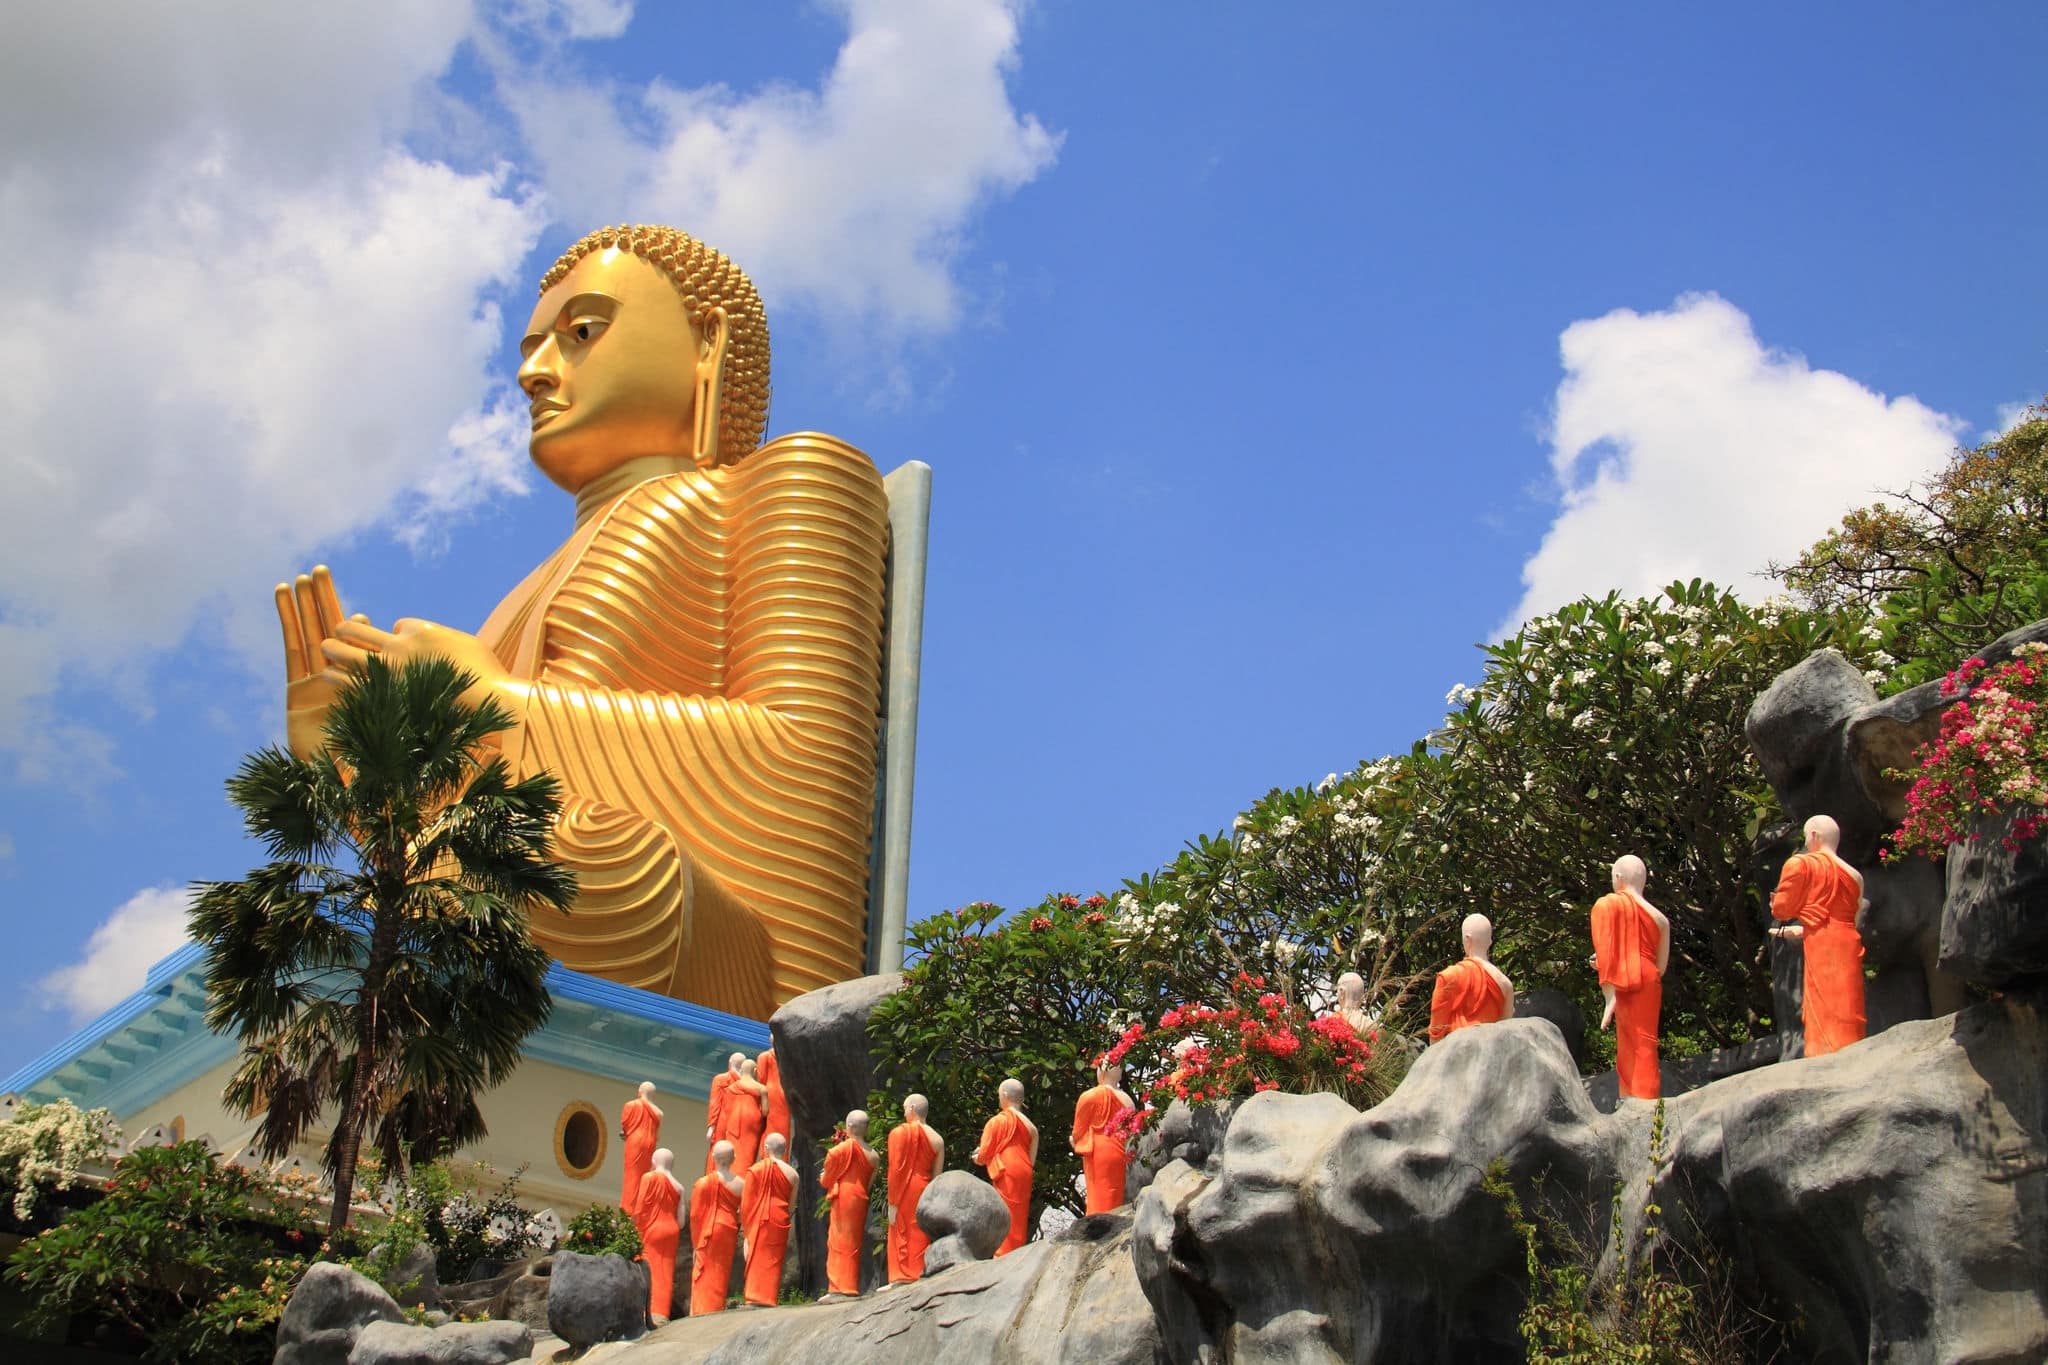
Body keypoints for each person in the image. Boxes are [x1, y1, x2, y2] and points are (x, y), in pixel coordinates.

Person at [273, 225, 892, 1021]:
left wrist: (490, 700)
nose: (536, 372)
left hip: (697, 940)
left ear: (708, 340)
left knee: (595, 857)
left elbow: (810, 770)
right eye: (532, 349)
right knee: (469, 859)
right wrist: (363, 772)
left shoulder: (790, 480)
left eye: (582, 334)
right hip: (515, 887)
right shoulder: (521, 591)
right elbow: (481, 802)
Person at [1769, 814, 1868, 1057]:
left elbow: (1782, 909)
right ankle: (1852, 1054)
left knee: (1822, 1005)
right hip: (1847, 944)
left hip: (1823, 945)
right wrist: (1804, 930)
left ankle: (1822, 1057)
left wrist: (1777, 905)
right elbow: (1847, 922)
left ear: (1813, 836)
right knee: (1847, 1003)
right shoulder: (1855, 876)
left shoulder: (1801, 864)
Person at [1590, 855, 1670, 1100]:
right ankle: (1644, 1098)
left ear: (1618, 878)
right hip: (1648, 979)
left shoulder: (1609, 904)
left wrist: (1610, 977)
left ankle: (1635, 1100)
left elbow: (1606, 947)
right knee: (1645, 1041)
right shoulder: (1660, 919)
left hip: (1624, 979)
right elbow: (1661, 966)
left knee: (1630, 1042)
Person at [974, 1078, 1038, 1256]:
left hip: (1006, 1169)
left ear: (1004, 1095)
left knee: (1005, 1212)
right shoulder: (1031, 1127)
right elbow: (1031, 1158)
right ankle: (1016, 1251)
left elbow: (984, 1154)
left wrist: (977, 1157)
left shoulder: (997, 1122)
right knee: (1019, 1214)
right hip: (1024, 1170)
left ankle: (1003, 1253)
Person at [1428, 914, 1515, 1043]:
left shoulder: (1449, 976)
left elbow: (1436, 1032)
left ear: (1467, 939)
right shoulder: (1505, 983)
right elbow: (1504, 1030)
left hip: (1456, 1052)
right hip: (1491, 1054)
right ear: (1490, 941)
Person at [886, 1094, 944, 1283]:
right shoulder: (937, 1139)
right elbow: (937, 1175)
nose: (904, 1112)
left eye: (904, 1108)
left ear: (912, 1108)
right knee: (919, 1229)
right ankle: (918, 1270)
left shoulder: (899, 1133)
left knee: (899, 1228)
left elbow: (895, 1170)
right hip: (924, 1186)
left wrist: (892, 1201)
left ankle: (902, 1274)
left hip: (904, 1187)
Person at [822, 1110, 878, 1297]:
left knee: (838, 1239)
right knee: (854, 1241)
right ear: (866, 1129)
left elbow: (826, 1179)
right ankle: (850, 1285)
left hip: (844, 1196)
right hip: (860, 1197)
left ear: (849, 1127)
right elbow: (870, 1182)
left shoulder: (838, 1150)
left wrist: (823, 1178)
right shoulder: (874, 1155)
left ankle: (839, 1286)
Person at [1070, 1062, 1136, 1214]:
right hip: (1121, 1149)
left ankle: (1099, 1231)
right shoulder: (1128, 1100)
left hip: (1098, 1150)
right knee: (1115, 1193)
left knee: (1098, 1195)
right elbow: (1132, 1131)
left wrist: (1074, 1141)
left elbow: (1078, 1132)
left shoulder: (1090, 1095)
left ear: (1102, 1072)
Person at [740, 1132, 797, 1307]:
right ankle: (769, 1297)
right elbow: (792, 1204)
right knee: (774, 1257)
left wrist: (746, 1229)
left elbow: (746, 1203)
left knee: (757, 1255)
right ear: (785, 1149)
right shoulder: (793, 1174)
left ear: (765, 1148)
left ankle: (755, 1296)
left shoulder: (755, 1170)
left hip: (758, 1217)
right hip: (780, 1216)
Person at [689, 1140, 744, 1315]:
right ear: (734, 1158)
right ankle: (716, 1306)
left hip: (709, 1229)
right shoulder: (741, 1184)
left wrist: (696, 1244)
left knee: (705, 1270)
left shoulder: (703, 1183)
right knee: (721, 1270)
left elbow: (695, 1216)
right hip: (728, 1228)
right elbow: (744, 1211)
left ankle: (702, 1309)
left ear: (713, 1157)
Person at [633, 1148, 685, 1324]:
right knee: (665, 1271)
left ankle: (645, 1310)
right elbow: (682, 1221)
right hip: (671, 1230)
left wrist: (636, 1232)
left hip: (652, 1228)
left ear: (654, 1162)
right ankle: (661, 1312)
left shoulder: (649, 1178)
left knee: (649, 1267)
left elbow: (640, 1210)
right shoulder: (679, 1187)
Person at [619, 1081, 662, 1214]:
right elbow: (657, 1134)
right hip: (649, 1143)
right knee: (644, 1177)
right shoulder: (659, 1113)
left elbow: (625, 1127)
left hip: (635, 1143)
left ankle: (627, 1210)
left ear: (639, 1091)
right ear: (653, 1095)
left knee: (631, 1176)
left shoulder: (630, 1105)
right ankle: (639, 1209)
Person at [704, 1052, 744, 1174]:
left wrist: (711, 1126)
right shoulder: (745, 1084)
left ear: (730, 1063)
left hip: (722, 1120)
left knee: (716, 1152)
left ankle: (713, 1177)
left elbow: (715, 1104)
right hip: (738, 1124)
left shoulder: (720, 1079)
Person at [757, 1047, 792, 1147]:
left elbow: (761, 1078)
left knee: (767, 1127)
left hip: (770, 1094)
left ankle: (767, 1156)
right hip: (784, 1094)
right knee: (783, 1129)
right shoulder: (788, 1057)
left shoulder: (764, 1056)